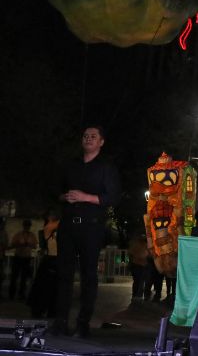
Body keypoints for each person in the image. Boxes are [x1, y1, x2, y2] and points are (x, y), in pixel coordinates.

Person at [52, 125, 120, 338]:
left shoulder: (106, 167)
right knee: (63, 274)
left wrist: (85, 197)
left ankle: (83, 324)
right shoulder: (71, 165)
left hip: (91, 226)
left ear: (101, 142)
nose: (88, 138)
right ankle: (60, 321)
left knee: (89, 275)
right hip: (68, 225)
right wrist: (66, 197)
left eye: (93, 136)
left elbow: (113, 197)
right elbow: (57, 192)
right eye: (85, 136)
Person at [28, 212, 59, 318]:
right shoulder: (49, 228)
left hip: (56, 260)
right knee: (44, 287)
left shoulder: (56, 230)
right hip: (51, 259)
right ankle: (40, 309)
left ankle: (51, 311)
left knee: (53, 288)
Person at [10, 219, 38, 299]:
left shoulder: (32, 235)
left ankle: (21, 294)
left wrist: (29, 244)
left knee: (24, 277)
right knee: (14, 276)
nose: (27, 227)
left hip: (26, 258)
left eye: (28, 226)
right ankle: (12, 293)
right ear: (23, 226)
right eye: (26, 225)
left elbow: (35, 246)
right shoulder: (18, 234)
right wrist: (19, 244)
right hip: (18, 257)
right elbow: (13, 244)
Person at [127, 233, 149, 302]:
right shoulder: (140, 245)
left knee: (139, 281)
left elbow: (130, 253)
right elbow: (131, 253)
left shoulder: (143, 245)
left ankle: (137, 295)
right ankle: (136, 295)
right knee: (138, 281)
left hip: (140, 265)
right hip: (137, 265)